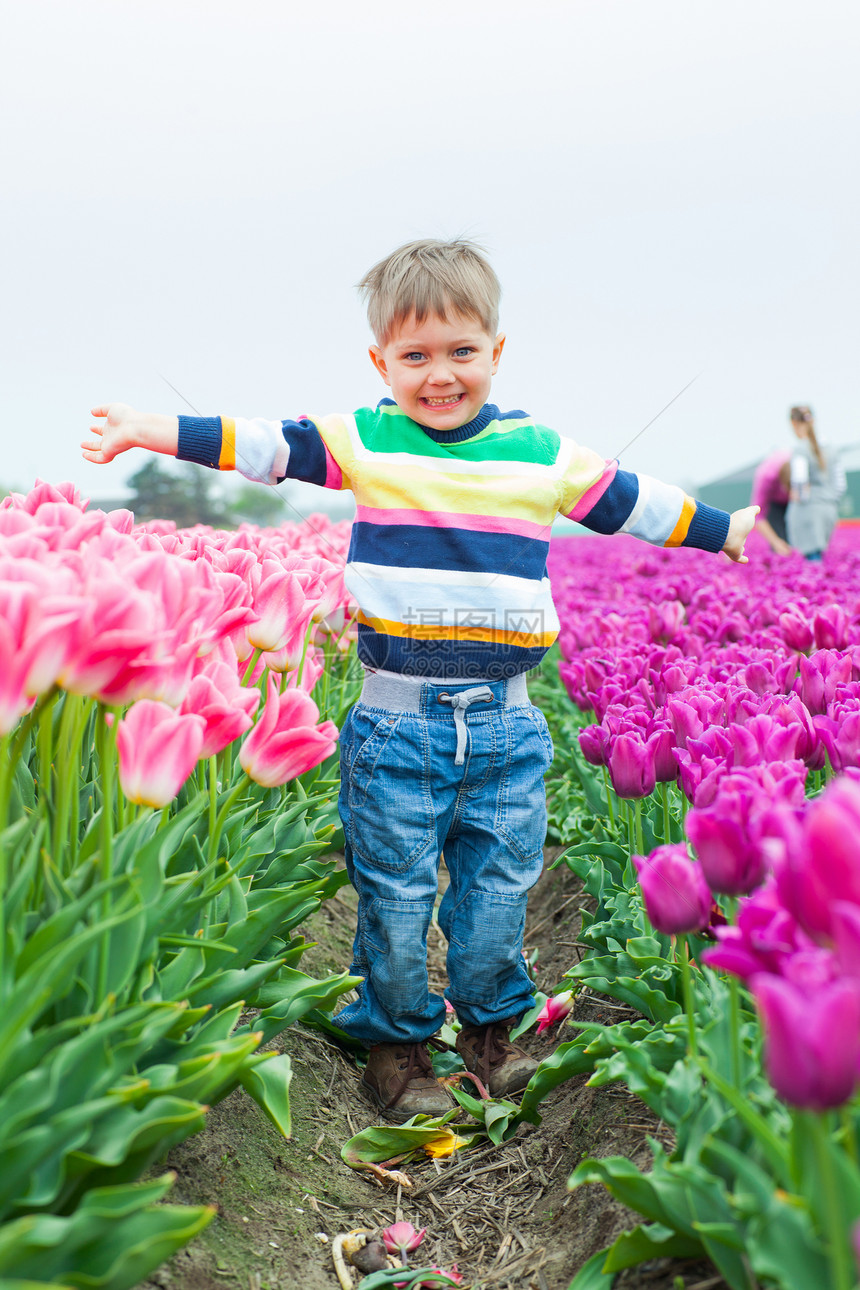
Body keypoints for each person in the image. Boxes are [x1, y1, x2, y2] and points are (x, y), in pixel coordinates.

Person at [82, 238, 758, 1122]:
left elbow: (636, 502)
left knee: (499, 887)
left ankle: (491, 1033)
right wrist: (149, 428)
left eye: (460, 352)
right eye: (416, 356)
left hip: (509, 724)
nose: (440, 375)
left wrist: (727, 531)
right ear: (381, 363)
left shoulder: (540, 453)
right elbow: (264, 448)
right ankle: (397, 1046)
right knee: (395, 892)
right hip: (397, 723)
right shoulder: (366, 440)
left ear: (496, 352)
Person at [785, 405, 846, 561]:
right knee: (820, 553)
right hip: (829, 508)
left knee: (812, 557)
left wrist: (799, 496)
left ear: (794, 424)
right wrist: (830, 499)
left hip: (808, 510)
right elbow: (841, 485)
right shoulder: (832, 448)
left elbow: (799, 481)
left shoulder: (801, 448)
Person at [751, 449, 792, 555]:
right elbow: (758, 514)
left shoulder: (804, 467)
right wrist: (775, 542)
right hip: (775, 503)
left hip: (799, 503)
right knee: (781, 542)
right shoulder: (766, 475)